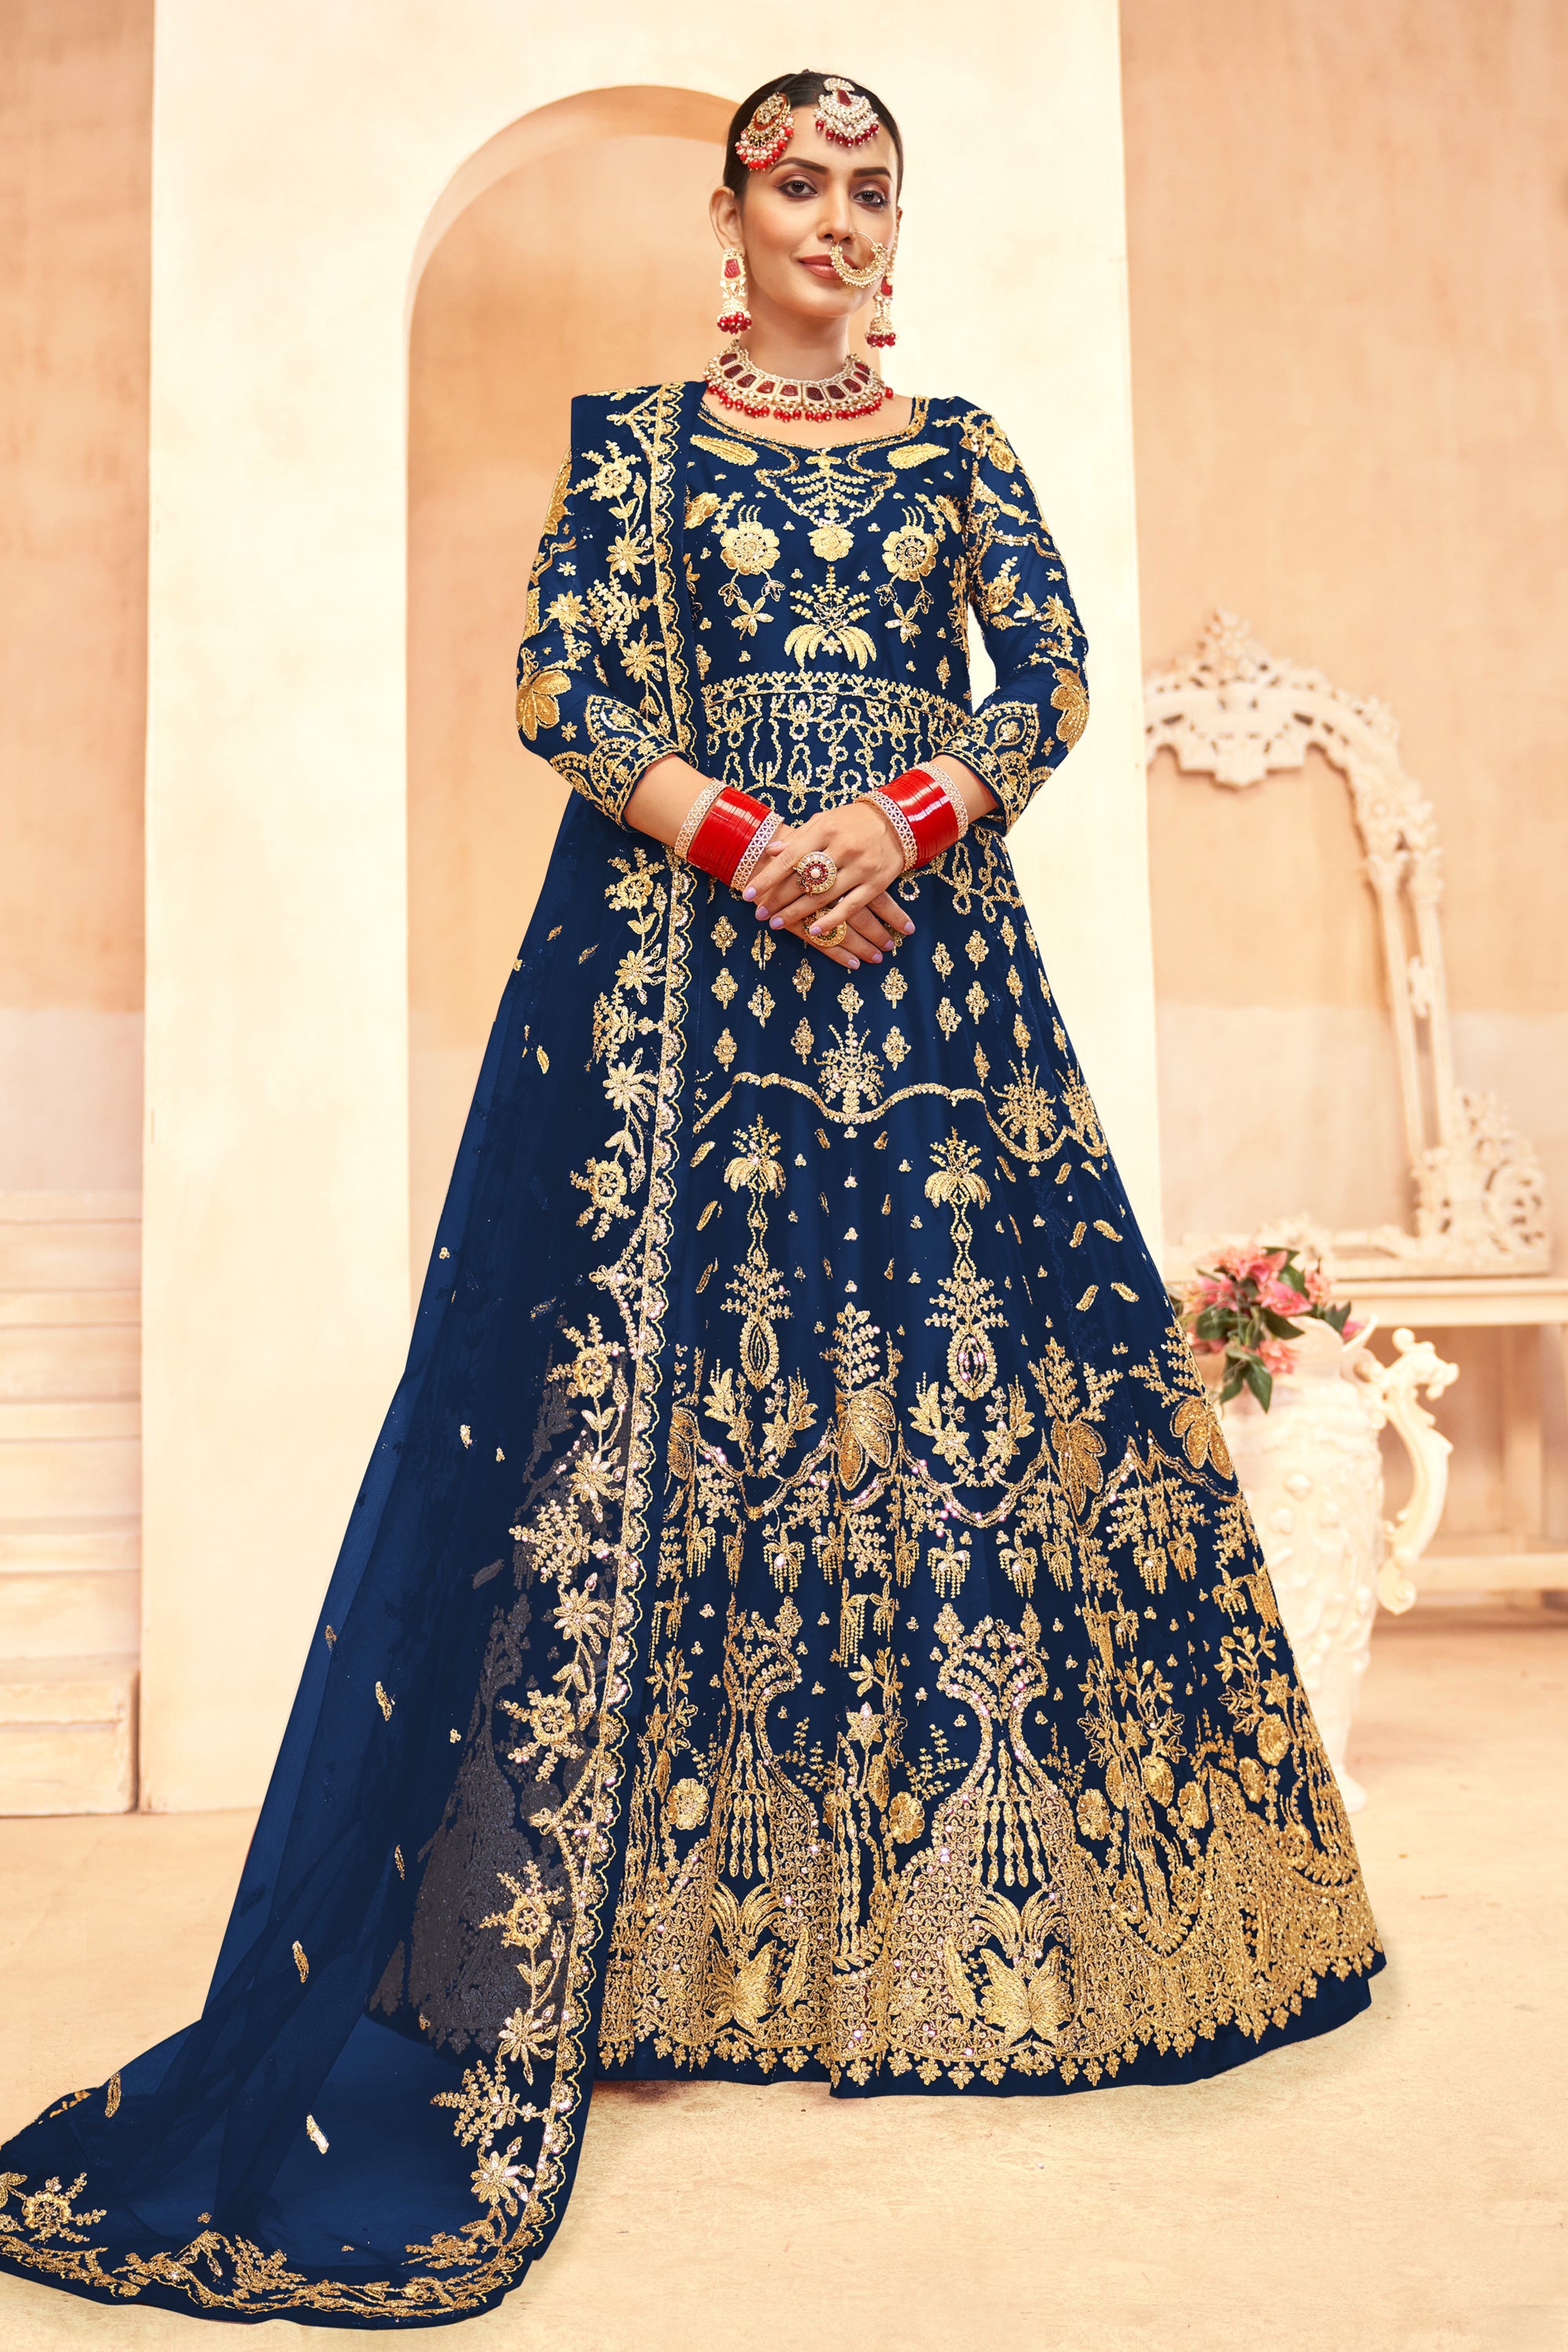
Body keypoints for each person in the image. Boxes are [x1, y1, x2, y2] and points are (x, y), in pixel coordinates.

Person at [0, 67, 1381, 2330]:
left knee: (950, 1414)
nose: (838, 219)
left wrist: (900, 820)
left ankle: (945, 1942)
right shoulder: (635, 453)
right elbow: (563, 685)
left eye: (871, 191)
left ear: (896, 229)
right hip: (685, 997)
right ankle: (663, 1952)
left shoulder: (962, 453)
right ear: (726, 218)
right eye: (798, 184)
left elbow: (1046, 679)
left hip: (933, 987)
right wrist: (759, 845)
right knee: (672, 1424)